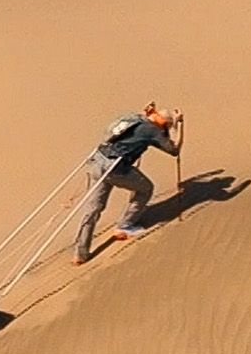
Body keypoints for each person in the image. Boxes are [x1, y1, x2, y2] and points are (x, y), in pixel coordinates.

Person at [74, 103, 184, 265]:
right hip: (115, 168)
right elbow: (174, 150)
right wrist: (179, 127)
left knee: (93, 209)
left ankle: (80, 254)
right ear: (164, 124)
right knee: (146, 188)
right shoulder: (152, 130)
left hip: (96, 162)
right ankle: (125, 225)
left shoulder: (134, 117)